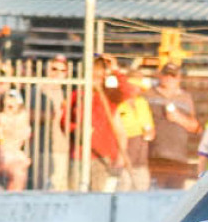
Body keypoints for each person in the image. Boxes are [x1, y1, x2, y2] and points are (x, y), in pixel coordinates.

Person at [61, 56, 128, 191]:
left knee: (97, 196)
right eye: (94, 74)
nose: (97, 79)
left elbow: (127, 92)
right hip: (79, 155)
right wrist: (77, 130)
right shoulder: (76, 95)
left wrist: (116, 71)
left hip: (102, 156)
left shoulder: (109, 96)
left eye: (101, 75)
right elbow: (64, 122)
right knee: (75, 194)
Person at [144, 62, 200, 182]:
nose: (169, 79)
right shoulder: (148, 95)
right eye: (166, 75)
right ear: (160, 76)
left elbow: (195, 127)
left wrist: (178, 118)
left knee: (176, 198)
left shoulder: (186, 97)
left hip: (179, 158)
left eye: (173, 76)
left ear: (179, 78)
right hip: (154, 157)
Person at [114, 63, 155, 191]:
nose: (135, 89)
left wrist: (149, 133)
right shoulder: (117, 103)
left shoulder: (142, 103)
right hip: (123, 158)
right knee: (123, 190)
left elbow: (151, 129)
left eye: (137, 86)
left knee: (141, 191)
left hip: (141, 158)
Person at [34, 55, 72, 190]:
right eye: (54, 69)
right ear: (47, 70)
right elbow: (29, 114)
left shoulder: (67, 91)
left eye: (62, 70)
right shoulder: (39, 90)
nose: (58, 73)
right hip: (43, 147)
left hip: (63, 146)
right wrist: (49, 116)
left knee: (60, 186)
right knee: (44, 187)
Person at [0, 89, 32, 191]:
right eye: (8, 102)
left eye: (13, 102)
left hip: (16, 154)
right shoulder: (0, 117)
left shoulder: (23, 116)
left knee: (18, 177)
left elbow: (22, 135)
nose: (10, 105)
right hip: (3, 154)